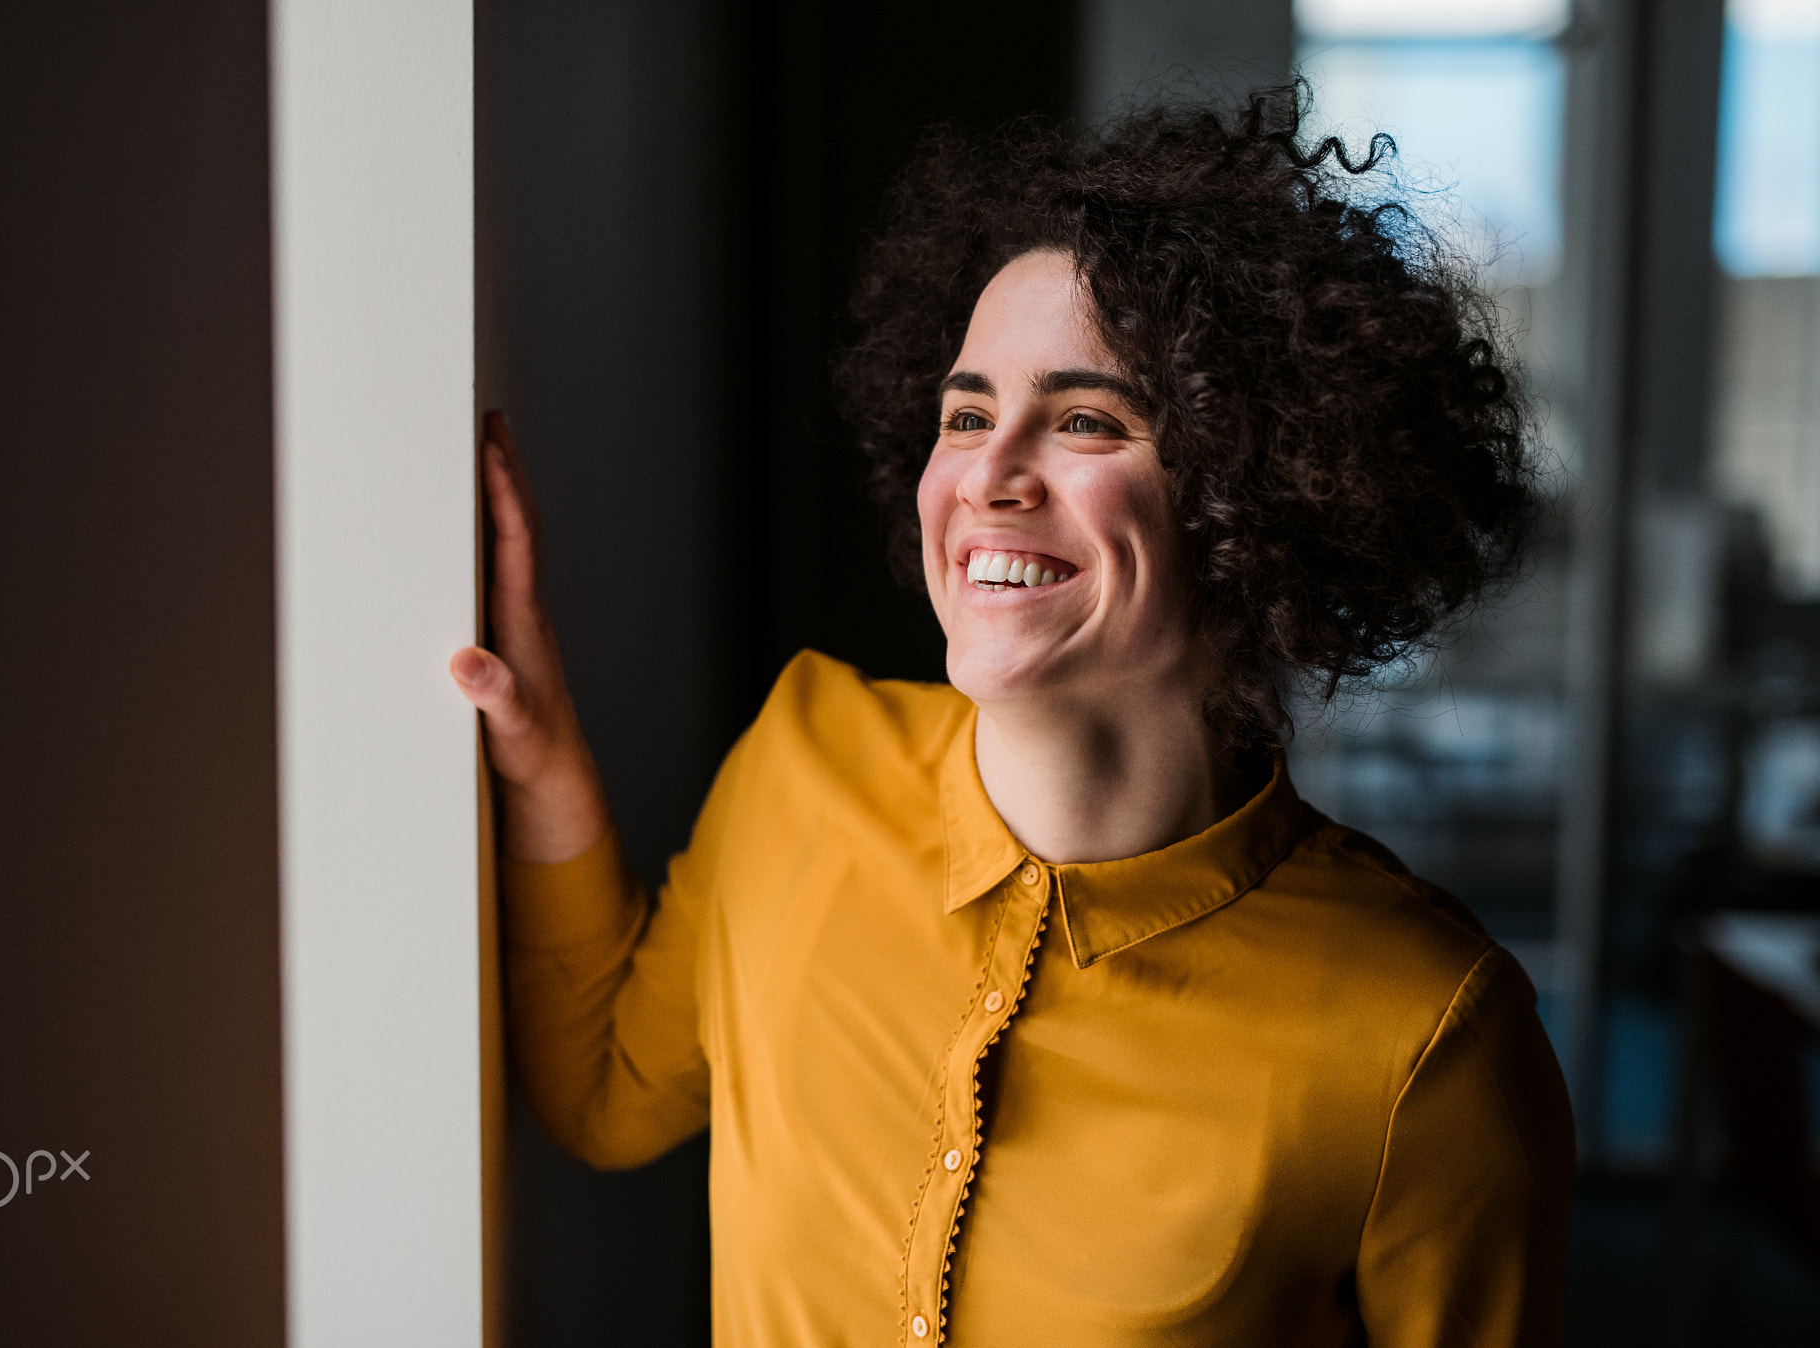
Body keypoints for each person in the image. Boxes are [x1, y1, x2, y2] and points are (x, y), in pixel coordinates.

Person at [452, 86, 1573, 1347]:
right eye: (967, 413)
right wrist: (539, 752)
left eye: (1086, 419)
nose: (986, 473)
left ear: (1253, 500)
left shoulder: (1422, 1036)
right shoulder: (801, 761)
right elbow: (606, 1088)